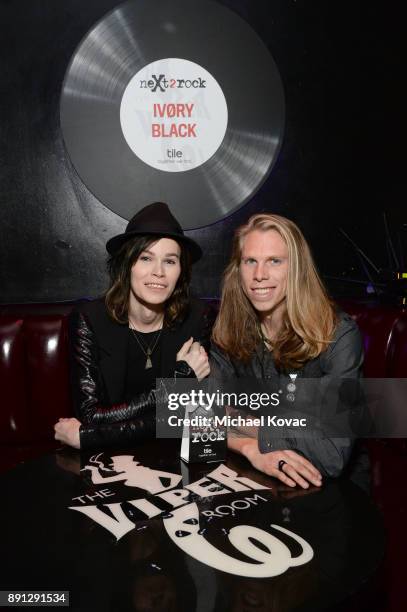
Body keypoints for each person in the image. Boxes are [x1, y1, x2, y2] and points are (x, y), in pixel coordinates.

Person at [211, 213, 369, 490]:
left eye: (274, 261)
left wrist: (243, 421)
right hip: (256, 479)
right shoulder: (229, 330)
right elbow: (190, 420)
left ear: (296, 268)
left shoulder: (338, 336)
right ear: (238, 269)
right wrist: (249, 447)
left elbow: (332, 454)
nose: (260, 275)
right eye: (250, 261)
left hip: (332, 494)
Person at [54, 202, 211, 450]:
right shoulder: (90, 320)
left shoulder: (195, 317)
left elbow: (189, 419)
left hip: (171, 456)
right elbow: (91, 417)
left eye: (170, 261)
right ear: (126, 265)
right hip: (106, 460)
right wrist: (178, 379)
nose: (158, 272)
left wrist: (89, 437)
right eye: (146, 258)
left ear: (181, 271)